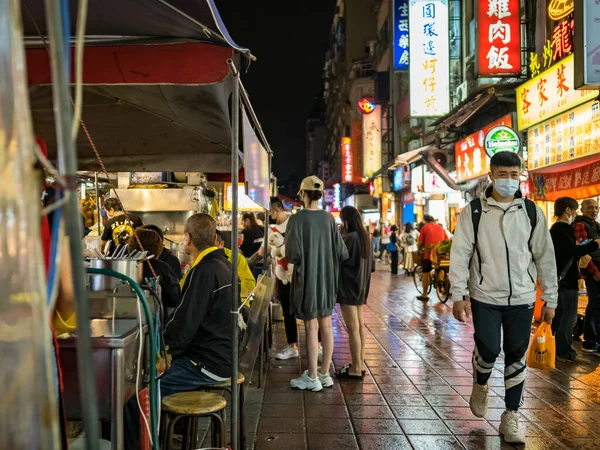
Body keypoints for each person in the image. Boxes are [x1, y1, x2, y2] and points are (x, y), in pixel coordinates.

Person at [449, 151, 557, 445]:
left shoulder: (532, 212)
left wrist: (550, 299)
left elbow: (545, 257)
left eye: (513, 174)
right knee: (488, 348)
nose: (508, 180)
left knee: (516, 354)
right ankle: (481, 381)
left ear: (520, 175)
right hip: (484, 296)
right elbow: (460, 255)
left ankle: (511, 414)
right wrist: (459, 294)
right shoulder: (473, 212)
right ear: (491, 175)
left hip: (522, 298)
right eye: (502, 174)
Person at [125, 213, 233, 448]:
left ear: (187, 238)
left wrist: (162, 350)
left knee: (136, 395)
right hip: (223, 356)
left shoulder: (204, 271)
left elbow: (184, 326)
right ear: (214, 238)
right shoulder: (224, 264)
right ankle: (167, 435)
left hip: (207, 364)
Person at [286, 176, 348, 391]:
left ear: (303, 194)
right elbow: (342, 252)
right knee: (326, 327)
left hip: (308, 280)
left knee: (311, 328)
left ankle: (311, 377)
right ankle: (324, 374)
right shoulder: (330, 218)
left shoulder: (297, 219)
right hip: (328, 281)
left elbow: (292, 255)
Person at [550, 197, 600, 362]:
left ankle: (558, 349)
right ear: (567, 211)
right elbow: (572, 251)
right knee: (569, 315)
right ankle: (565, 351)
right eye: (575, 210)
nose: (576, 214)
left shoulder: (558, 229)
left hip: (562, 277)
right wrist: (594, 245)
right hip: (566, 278)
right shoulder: (562, 229)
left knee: (562, 314)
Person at [336, 206, 373, 379]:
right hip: (361, 289)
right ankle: (360, 363)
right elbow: (371, 267)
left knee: (353, 329)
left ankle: (356, 369)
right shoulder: (366, 238)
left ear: (347, 220)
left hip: (348, 287)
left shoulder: (350, 238)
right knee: (359, 328)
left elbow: (338, 259)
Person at [264, 197, 299, 360]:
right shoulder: (271, 229)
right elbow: (263, 250)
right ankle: (292, 345)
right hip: (282, 274)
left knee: (306, 310)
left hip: (299, 273)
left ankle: (318, 345)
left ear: (277, 209)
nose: (270, 216)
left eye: (271, 212)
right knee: (287, 310)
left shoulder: (295, 223)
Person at [127, 228, 181, 314]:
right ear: (158, 248)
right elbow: (174, 298)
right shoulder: (162, 268)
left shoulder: (123, 265)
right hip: (154, 320)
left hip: (124, 315)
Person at [574, 199, 600, 353]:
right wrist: (595, 272)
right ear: (582, 209)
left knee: (594, 304)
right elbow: (582, 253)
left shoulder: (595, 225)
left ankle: (590, 341)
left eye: (596, 207)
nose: (594, 210)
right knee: (597, 306)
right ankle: (592, 341)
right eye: (590, 208)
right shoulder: (580, 226)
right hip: (593, 272)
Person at [215, 230, 256, 300]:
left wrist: (243, 304)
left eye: (213, 246)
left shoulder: (236, 258)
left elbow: (249, 284)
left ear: (222, 244)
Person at [417, 215, 446, 301]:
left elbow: (420, 242)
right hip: (441, 254)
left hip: (429, 254)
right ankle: (441, 285)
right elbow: (446, 239)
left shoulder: (425, 227)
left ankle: (425, 294)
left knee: (425, 272)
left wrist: (418, 250)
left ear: (425, 221)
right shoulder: (441, 228)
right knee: (441, 267)